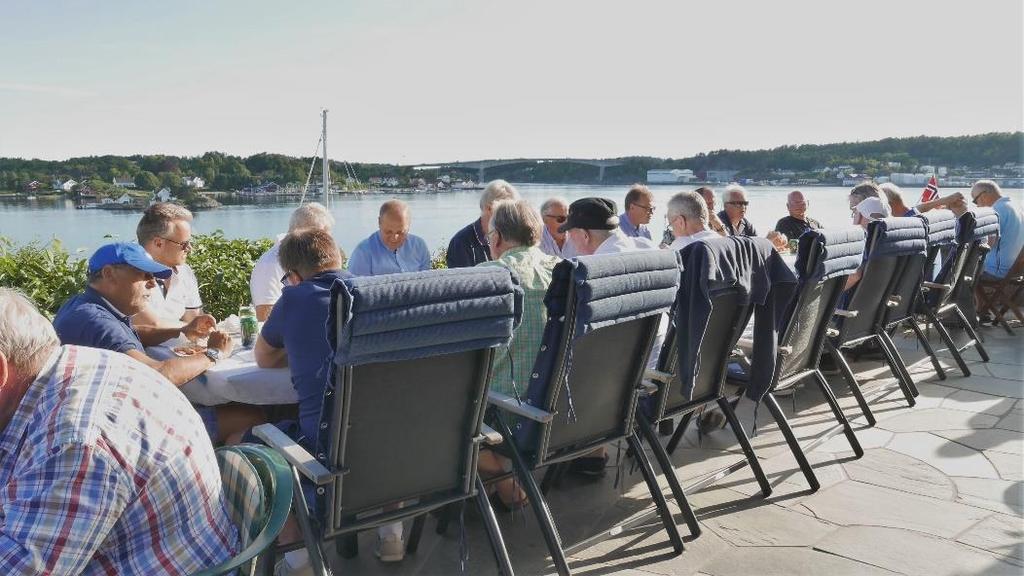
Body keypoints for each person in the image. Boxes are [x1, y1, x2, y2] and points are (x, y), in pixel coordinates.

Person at [0, 288, 239, 573]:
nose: (149, 283)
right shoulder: (76, 361)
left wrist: (210, 353)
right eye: (143, 275)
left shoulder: (76, 438)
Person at [256, 229, 410, 565]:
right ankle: (392, 535)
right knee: (383, 421)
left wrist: (298, 347)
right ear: (337, 258)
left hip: (328, 463)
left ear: (294, 277)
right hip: (401, 463)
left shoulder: (294, 299)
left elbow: (264, 358)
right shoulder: (379, 293)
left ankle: (299, 561)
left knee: (257, 447)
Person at [53, 242, 233, 387]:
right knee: (245, 415)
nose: (153, 284)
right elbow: (156, 375)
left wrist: (181, 330)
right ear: (109, 274)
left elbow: (127, 334)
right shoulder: (95, 321)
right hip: (117, 424)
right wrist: (214, 353)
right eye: (145, 275)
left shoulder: (84, 304)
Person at [476, 199, 560, 507]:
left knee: (441, 415)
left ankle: (507, 486)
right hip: (559, 409)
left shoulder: (490, 276)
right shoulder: (564, 272)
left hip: (508, 417)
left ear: (496, 238)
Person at [132, 203, 213, 347]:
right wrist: (189, 328)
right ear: (158, 243)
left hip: (182, 352)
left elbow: (195, 320)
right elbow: (151, 324)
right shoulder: (130, 276)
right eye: (184, 244)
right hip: (143, 360)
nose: (190, 248)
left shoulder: (185, 272)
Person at [250, 202, 336, 321]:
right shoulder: (270, 264)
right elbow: (265, 317)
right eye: (321, 239)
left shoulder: (307, 261)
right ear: (302, 233)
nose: (326, 246)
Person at [446, 179, 520, 268]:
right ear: (489, 208)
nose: (511, 216)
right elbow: (462, 280)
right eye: (506, 211)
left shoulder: (513, 238)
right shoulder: (462, 242)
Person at [348, 199, 431, 276]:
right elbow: (356, 289)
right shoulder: (363, 253)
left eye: (400, 232)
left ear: (409, 225)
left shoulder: (419, 246)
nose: (394, 238)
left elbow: (425, 285)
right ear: (379, 222)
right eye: (388, 232)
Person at [563, 197, 658, 256]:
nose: (569, 238)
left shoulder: (593, 269)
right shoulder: (648, 246)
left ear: (585, 236)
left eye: (570, 233)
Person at [972, 179, 1024, 279]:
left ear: (984, 195)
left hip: (996, 272)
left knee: (956, 273)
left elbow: (988, 245)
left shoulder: (995, 211)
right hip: (1017, 271)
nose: (977, 205)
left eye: (975, 200)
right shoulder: (1018, 207)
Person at [845, 196, 889, 290]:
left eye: (855, 214)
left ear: (860, 217)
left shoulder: (863, 245)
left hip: (850, 301)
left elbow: (854, 276)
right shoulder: (891, 242)